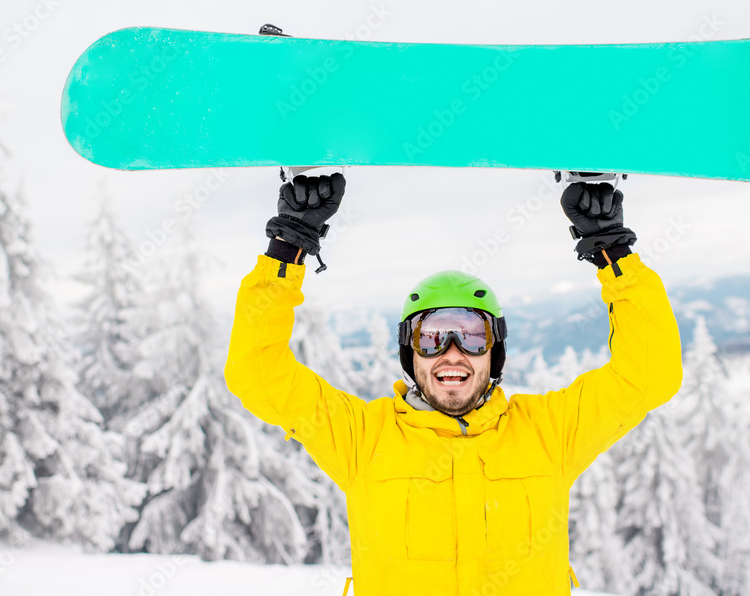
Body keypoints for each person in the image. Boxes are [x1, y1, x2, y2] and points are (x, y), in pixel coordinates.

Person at [224, 172, 682, 596]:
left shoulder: (549, 434)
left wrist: (611, 252)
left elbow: (649, 373)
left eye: (471, 335)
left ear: (494, 350)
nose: (452, 352)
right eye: (431, 337)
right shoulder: (362, 439)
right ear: (410, 351)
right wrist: (288, 245)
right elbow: (257, 372)